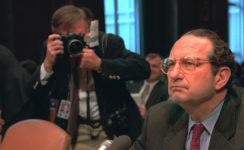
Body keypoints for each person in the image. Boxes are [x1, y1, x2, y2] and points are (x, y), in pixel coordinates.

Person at [130, 29, 244, 150]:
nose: (174, 74)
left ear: (220, 77)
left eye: (188, 63)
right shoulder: (158, 118)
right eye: (170, 64)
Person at [25, 5, 150, 149]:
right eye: (68, 37)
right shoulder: (55, 51)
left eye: (79, 35)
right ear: (57, 36)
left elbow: (143, 68)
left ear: (89, 28)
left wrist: (100, 64)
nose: (74, 42)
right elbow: (30, 93)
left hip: (113, 127)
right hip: (75, 127)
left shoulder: (107, 44)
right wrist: (47, 64)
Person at [128, 53, 168, 118]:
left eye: (154, 66)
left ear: (161, 71)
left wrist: (147, 116)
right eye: (147, 66)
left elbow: (164, 118)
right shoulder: (132, 87)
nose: (150, 69)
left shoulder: (166, 91)